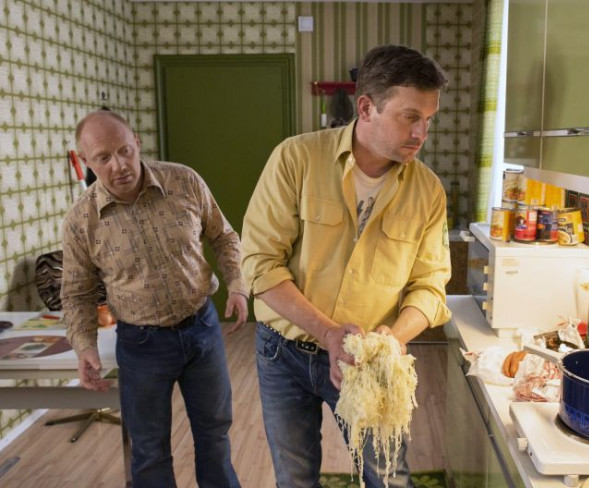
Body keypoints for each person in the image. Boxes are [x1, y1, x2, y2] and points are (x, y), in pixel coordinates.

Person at [241, 45, 452, 488]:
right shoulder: (296, 159)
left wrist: (392, 339)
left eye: (429, 120)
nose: (422, 133)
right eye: (410, 117)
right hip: (283, 353)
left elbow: (430, 287)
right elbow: (260, 265)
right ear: (367, 107)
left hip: (371, 361)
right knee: (295, 479)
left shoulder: (428, 190)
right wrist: (329, 333)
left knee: (389, 477)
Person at [61, 110, 247, 488]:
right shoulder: (80, 221)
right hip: (141, 344)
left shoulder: (184, 181)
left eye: (125, 151)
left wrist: (238, 284)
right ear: (85, 160)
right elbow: (77, 292)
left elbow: (224, 237)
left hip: (201, 328)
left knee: (215, 435)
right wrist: (84, 345)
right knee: (148, 450)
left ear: (137, 142)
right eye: (103, 158)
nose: (119, 165)